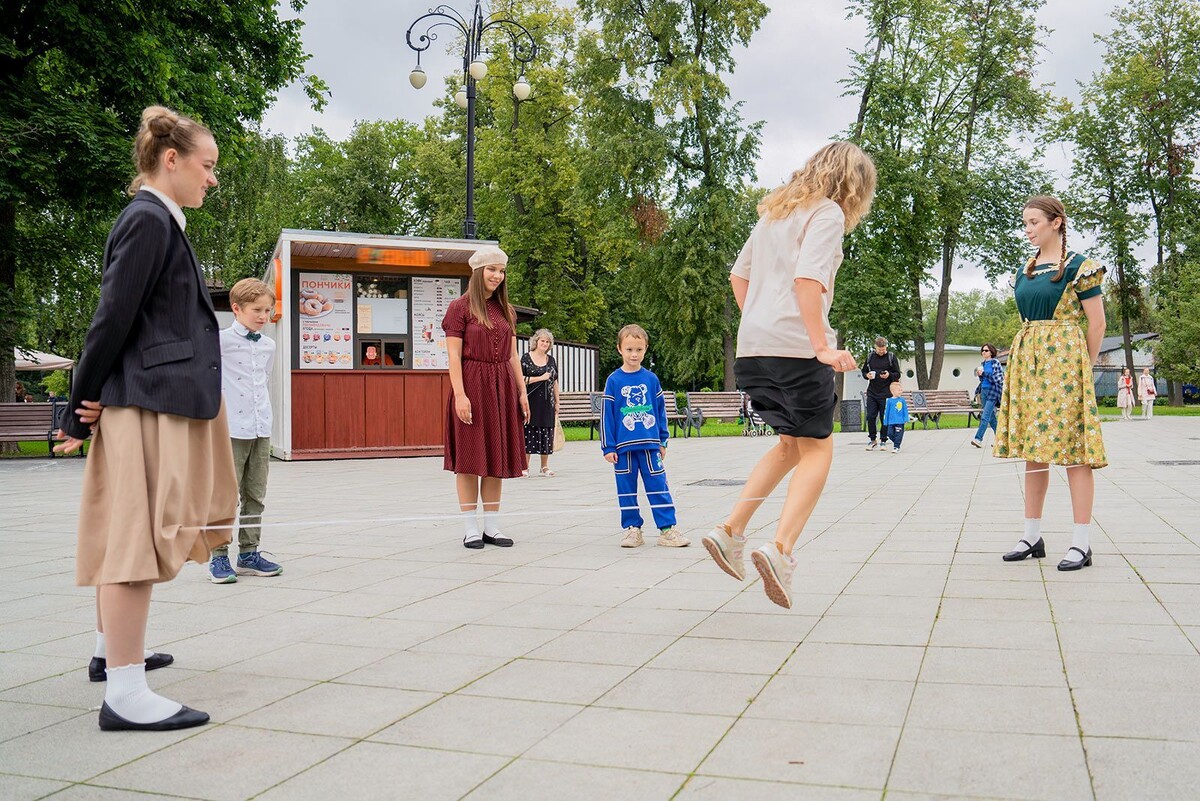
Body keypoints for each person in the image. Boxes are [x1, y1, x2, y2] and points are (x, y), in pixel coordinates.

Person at [53, 105, 236, 731]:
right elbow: (112, 317)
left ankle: (111, 656)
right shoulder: (150, 219)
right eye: (207, 166)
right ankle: (126, 696)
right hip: (149, 403)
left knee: (129, 530)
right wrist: (79, 407)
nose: (213, 179)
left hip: (150, 398)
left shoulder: (160, 221)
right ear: (172, 159)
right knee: (138, 539)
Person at [701, 141, 877, 608]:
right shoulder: (827, 214)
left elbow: (739, 278)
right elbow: (808, 281)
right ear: (853, 184)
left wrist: (760, 319)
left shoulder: (774, 215)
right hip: (797, 351)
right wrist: (822, 346)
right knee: (819, 448)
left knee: (788, 446)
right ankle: (780, 551)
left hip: (753, 349)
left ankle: (729, 531)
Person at [996, 195, 1106, 572]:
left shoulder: (1081, 267)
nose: (1027, 230)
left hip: (1065, 362)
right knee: (1034, 449)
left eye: (1033, 222)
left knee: (1075, 452)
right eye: (1025, 223)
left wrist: (1084, 369)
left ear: (1055, 222)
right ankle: (1032, 534)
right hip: (1030, 360)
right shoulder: (1025, 269)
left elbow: (1097, 325)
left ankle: (1081, 542)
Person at [443, 245, 529, 549]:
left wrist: (522, 392)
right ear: (478, 272)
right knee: (468, 459)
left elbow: (513, 355)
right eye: (492, 269)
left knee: (496, 455)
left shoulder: (507, 310)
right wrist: (460, 395)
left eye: (501, 270)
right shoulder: (459, 308)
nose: (497, 275)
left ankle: (492, 527)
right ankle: (470, 528)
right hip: (472, 385)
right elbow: (453, 357)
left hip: (501, 387)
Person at [209, 278, 282, 583]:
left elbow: (263, 381)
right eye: (257, 310)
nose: (264, 316)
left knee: (255, 493)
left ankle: (250, 552)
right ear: (236, 309)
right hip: (229, 429)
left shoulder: (268, 345)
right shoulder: (219, 341)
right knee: (224, 495)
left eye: (268, 310)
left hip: (260, 426)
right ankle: (218, 556)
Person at [601, 324, 688, 549]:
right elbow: (607, 416)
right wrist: (608, 447)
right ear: (619, 349)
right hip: (622, 448)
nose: (634, 354)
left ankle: (667, 529)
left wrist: (663, 440)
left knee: (658, 485)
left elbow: (660, 412)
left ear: (645, 349)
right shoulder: (614, 380)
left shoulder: (651, 379)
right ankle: (632, 529)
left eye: (638, 350)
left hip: (650, 445)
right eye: (629, 349)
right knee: (626, 488)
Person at [522, 328, 560, 477]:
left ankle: (544, 466)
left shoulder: (551, 360)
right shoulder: (526, 358)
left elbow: (555, 382)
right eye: (542, 340)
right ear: (536, 341)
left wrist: (557, 402)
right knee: (528, 432)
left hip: (547, 402)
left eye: (547, 341)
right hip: (530, 401)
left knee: (546, 433)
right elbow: (520, 380)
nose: (545, 343)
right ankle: (525, 467)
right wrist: (541, 377)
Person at [861, 336, 899, 451]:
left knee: (884, 418)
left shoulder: (891, 357)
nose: (881, 351)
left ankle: (883, 440)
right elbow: (864, 371)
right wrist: (866, 375)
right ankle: (872, 440)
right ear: (875, 347)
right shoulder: (870, 357)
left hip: (886, 393)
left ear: (886, 347)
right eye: (879, 349)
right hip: (872, 392)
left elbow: (897, 374)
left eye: (883, 349)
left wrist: (889, 375)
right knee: (870, 416)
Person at [970, 343, 1004, 447]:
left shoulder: (995, 363)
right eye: (983, 350)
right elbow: (983, 379)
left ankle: (978, 439)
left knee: (985, 416)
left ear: (991, 352)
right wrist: (980, 375)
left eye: (986, 350)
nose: (984, 352)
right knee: (991, 417)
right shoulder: (983, 364)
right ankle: (1001, 440)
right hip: (984, 392)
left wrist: (984, 374)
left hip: (993, 392)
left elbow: (997, 379)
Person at [883, 381, 910, 453]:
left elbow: (905, 410)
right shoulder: (889, 401)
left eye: (901, 390)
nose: (901, 391)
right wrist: (885, 421)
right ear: (892, 391)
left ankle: (896, 446)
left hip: (900, 421)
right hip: (891, 421)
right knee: (889, 433)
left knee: (899, 434)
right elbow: (887, 411)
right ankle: (896, 441)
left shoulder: (902, 400)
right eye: (899, 390)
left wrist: (906, 418)